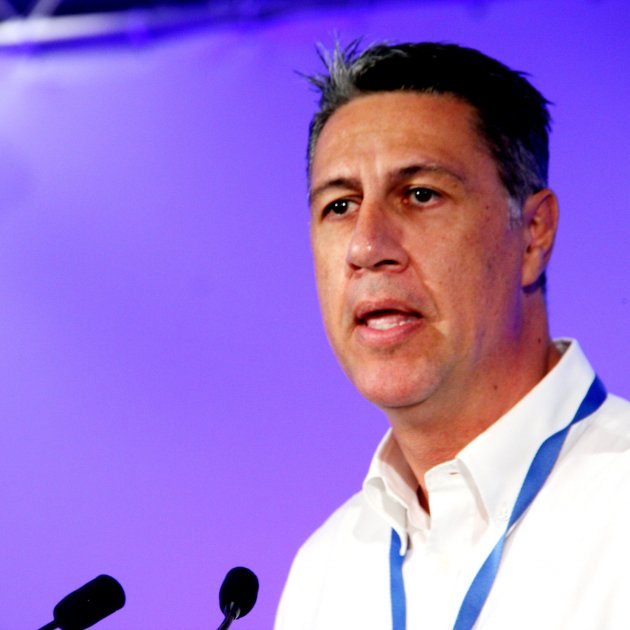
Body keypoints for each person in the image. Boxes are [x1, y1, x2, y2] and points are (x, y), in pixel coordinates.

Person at [274, 41, 630, 630]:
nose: (367, 246)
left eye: (420, 194)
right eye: (339, 205)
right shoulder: (325, 573)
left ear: (533, 234)